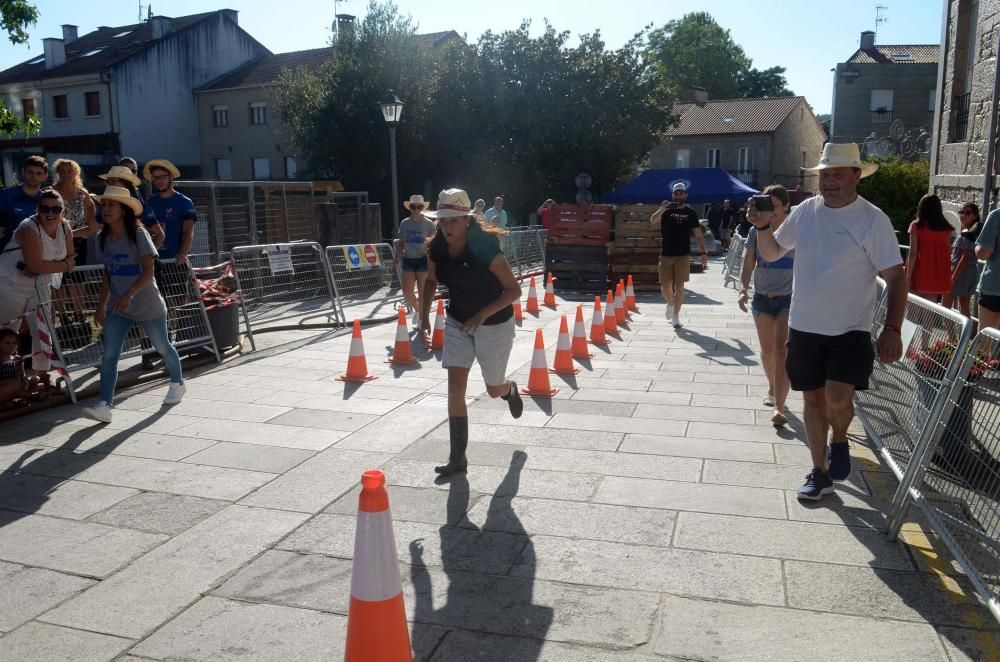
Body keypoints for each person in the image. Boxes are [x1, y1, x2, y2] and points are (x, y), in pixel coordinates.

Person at [750, 143, 906, 501]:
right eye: (825, 174)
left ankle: (840, 439)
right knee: (812, 399)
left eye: (837, 173)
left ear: (856, 176)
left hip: (851, 328)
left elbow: (896, 277)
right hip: (805, 326)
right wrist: (761, 227)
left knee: (837, 396)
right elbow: (773, 252)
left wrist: (893, 328)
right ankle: (819, 472)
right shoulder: (806, 211)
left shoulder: (872, 219)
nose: (830, 181)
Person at [419, 188, 523, 478]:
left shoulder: (485, 248)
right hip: (457, 322)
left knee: (492, 390)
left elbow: (514, 290)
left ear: (467, 219)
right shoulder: (436, 249)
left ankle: (509, 388)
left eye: (453, 220)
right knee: (455, 389)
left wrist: (482, 314)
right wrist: (423, 316)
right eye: (442, 220)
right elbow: (429, 281)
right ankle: (457, 459)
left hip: (494, 322)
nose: (447, 226)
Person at [82, 186, 186, 423]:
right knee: (109, 355)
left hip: (147, 304)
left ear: (124, 210)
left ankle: (178, 382)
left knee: (162, 346)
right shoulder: (102, 238)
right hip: (119, 308)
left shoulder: (139, 234)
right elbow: (108, 274)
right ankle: (104, 405)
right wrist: (101, 305)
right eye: (104, 204)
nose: (105, 209)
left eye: (111, 205)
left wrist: (129, 294)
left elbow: (148, 272)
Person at [0, 187, 74, 391]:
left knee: (43, 331)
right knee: (7, 332)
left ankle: (43, 376)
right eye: (45, 208)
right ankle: (7, 380)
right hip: (10, 284)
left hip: (40, 285)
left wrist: (43, 266)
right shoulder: (28, 227)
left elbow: (71, 258)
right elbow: (41, 265)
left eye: (56, 209)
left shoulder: (65, 227)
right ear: (38, 209)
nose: (50, 213)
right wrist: (53, 265)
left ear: (63, 211)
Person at [738, 185, 794, 427]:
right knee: (768, 350)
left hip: (788, 298)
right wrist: (743, 288)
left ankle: (779, 407)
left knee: (783, 352)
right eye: (766, 204)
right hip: (762, 296)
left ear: (785, 207)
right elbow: (749, 260)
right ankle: (772, 387)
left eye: (774, 205)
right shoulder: (756, 231)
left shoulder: (795, 230)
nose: (769, 210)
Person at [143, 159, 198, 357]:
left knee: (177, 303)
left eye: (162, 177)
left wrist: (182, 252)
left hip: (175, 261)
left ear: (170, 178)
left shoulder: (184, 202)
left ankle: (179, 342)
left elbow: (188, 231)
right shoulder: (149, 203)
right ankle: (158, 344)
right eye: (155, 178)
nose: (158, 181)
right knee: (156, 304)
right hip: (155, 261)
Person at [649, 181, 708, 328]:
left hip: (683, 254)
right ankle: (670, 303)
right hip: (666, 253)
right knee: (665, 285)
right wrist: (662, 208)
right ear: (672, 195)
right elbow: (652, 221)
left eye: (681, 192)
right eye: (676, 193)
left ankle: (675, 315)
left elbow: (699, 235)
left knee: (679, 285)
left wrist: (703, 253)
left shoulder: (691, 213)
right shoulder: (666, 211)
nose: (679, 195)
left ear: (686, 195)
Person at [52, 159, 97, 322]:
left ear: (76, 173)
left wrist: (90, 222)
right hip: (56, 242)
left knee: (78, 278)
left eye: (69, 171)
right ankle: (63, 315)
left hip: (78, 240)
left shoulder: (81, 193)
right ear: (57, 173)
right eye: (62, 171)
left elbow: (91, 207)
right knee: (59, 280)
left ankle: (79, 312)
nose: (65, 174)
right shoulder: (50, 192)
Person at [393, 194, 437, 329]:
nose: (416, 209)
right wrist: (396, 257)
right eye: (413, 206)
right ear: (410, 208)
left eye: (419, 206)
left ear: (423, 208)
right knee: (406, 291)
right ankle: (418, 311)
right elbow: (401, 243)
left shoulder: (429, 224)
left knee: (422, 291)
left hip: (424, 260)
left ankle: (422, 319)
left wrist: (434, 260)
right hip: (408, 259)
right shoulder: (404, 223)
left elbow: (434, 243)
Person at [905, 194, 954, 301]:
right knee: (930, 314)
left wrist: (908, 277)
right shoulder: (946, 229)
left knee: (913, 313)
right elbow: (948, 253)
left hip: (919, 274)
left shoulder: (916, 226)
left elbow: (913, 253)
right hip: (936, 276)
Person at [942, 202, 981, 318]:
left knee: (945, 307)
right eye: (961, 212)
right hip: (966, 272)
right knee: (963, 307)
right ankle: (957, 336)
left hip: (959, 273)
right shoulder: (967, 231)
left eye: (968, 212)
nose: (963, 215)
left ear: (975, 216)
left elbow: (965, 257)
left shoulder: (970, 233)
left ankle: (952, 336)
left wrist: (953, 278)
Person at [0, 155, 48, 249]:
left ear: (45, 176)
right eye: (30, 172)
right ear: (23, 172)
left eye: (39, 173)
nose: (34, 176)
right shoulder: (5, 195)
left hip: (40, 251)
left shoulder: (48, 200)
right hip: (9, 251)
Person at [976, 206, 1000, 330]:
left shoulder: (996, 216)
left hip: (994, 287)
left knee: (985, 337)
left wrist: (977, 248)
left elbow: (983, 253)